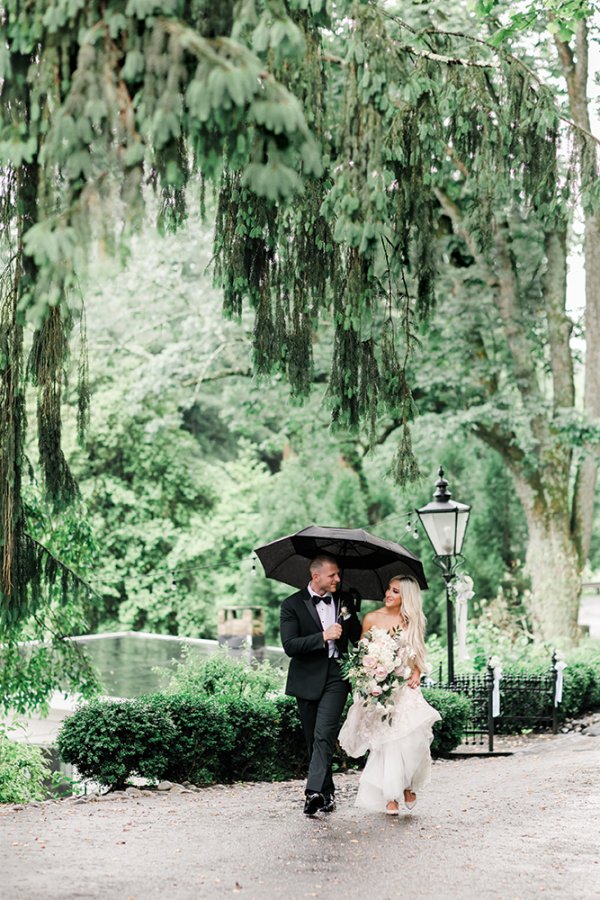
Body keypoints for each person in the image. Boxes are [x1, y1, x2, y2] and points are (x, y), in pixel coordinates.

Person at [338, 575, 441, 815]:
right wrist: (372, 675)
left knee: (412, 739)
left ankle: (408, 784)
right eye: (388, 589)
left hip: (405, 687)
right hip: (380, 690)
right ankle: (391, 796)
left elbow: (417, 653)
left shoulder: (413, 622)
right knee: (388, 743)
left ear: (407, 597)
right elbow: (363, 655)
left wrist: (417, 671)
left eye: (395, 591)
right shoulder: (372, 618)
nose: (388, 594)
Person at [280, 554, 362, 816]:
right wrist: (322, 636)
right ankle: (326, 794)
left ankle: (312, 791)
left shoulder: (345, 601)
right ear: (316, 576)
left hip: (337, 675)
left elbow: (358, 636)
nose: (338, 579)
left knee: (323, 733)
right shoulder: (291, 605)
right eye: (332, 575)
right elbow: (290, 646)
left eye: (338, 574)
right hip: (306, 679)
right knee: (312, 739)